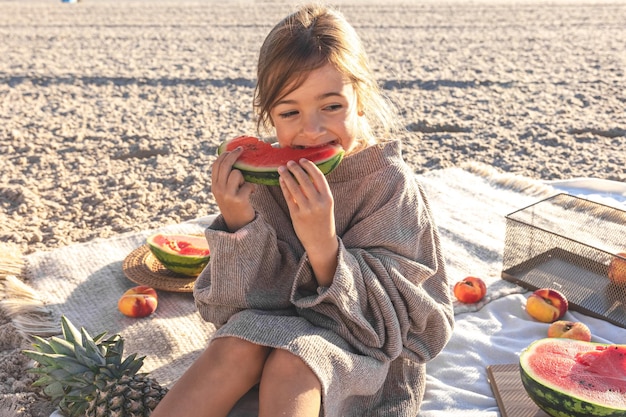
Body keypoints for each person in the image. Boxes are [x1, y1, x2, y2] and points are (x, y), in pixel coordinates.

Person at [151, 3, 454, 417]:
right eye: (290, 112)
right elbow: (235, 309)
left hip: (363, 346)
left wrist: (323, 246)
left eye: (331, 107)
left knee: (293, 363)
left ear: (360, 100)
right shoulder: (267, 178)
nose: (311, 129)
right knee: (233, 347)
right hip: (275, 322)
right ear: (269, 116)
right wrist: (240, 224)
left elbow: (413, 323)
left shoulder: (388, 182)